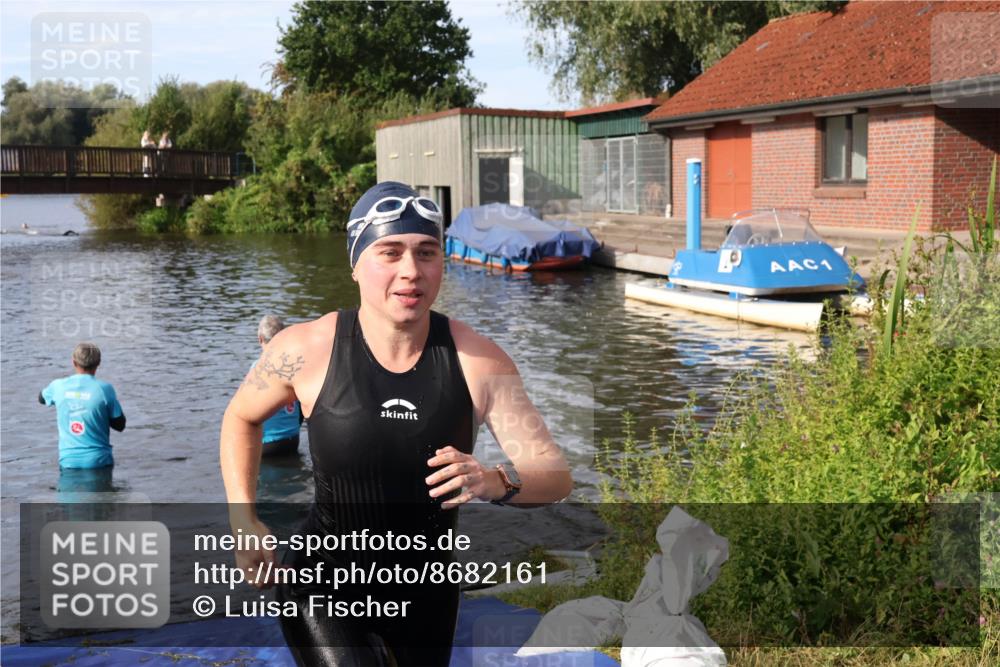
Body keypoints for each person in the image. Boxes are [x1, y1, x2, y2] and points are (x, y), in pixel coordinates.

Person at [220, 181, 573, 666]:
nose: (411, 271)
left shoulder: (479, 362)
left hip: (427, 592)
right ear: (356, 264)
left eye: (426, 252)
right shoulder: (304, 349)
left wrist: (495, 480)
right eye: (390, 252)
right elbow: (240, 418)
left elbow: (554, 475)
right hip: (321, 581)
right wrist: (243, 518)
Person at [40, 343, 126, 470]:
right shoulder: (105, 389)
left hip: (68, 461)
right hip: (99, 462)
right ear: (98, 363)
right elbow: (120, 425)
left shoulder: (57, 386)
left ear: (74, 362)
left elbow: (41, 399)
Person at [254, 315, 303, 457]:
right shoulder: (295, 366)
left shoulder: (257, 368)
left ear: (260, 339)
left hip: (268, 445)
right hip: (293, 441)